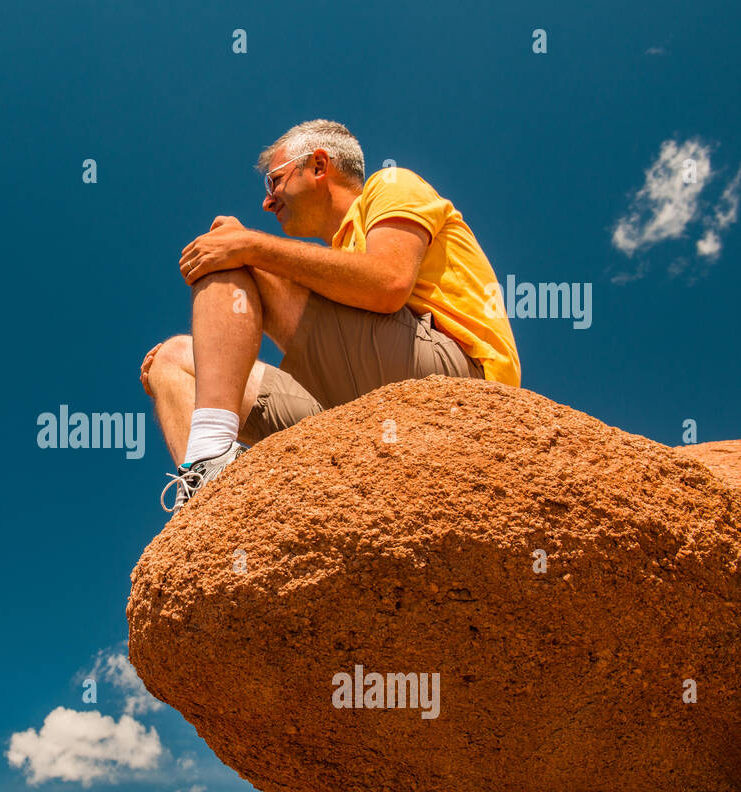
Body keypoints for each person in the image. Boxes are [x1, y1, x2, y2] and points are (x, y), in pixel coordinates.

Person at [143, 119, 522, 513]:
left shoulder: (391, 184)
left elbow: (389, 283)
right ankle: (207, 484)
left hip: (455, 385)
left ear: (319, 166)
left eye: (274, 181)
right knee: (172, 361)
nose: (267, 201)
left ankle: (213, 452)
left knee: (228, 252)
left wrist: (250, 246)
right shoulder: (338, 258)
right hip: (364, 408)